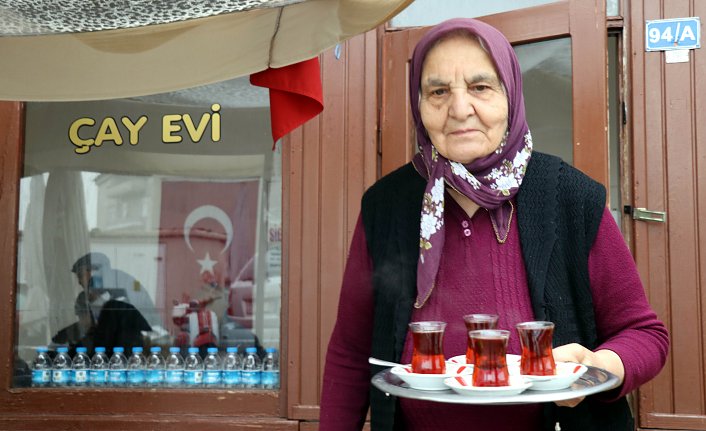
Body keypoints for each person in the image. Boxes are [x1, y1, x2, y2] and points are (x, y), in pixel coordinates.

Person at [319, 18, 669, 431]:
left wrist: (596, 366)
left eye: (480, 87)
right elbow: (350, 351)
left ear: (511, 95)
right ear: (419, 104)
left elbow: (645, 334)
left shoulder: (569, 197)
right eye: (438, 91)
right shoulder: (387, 206)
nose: (459, 109)